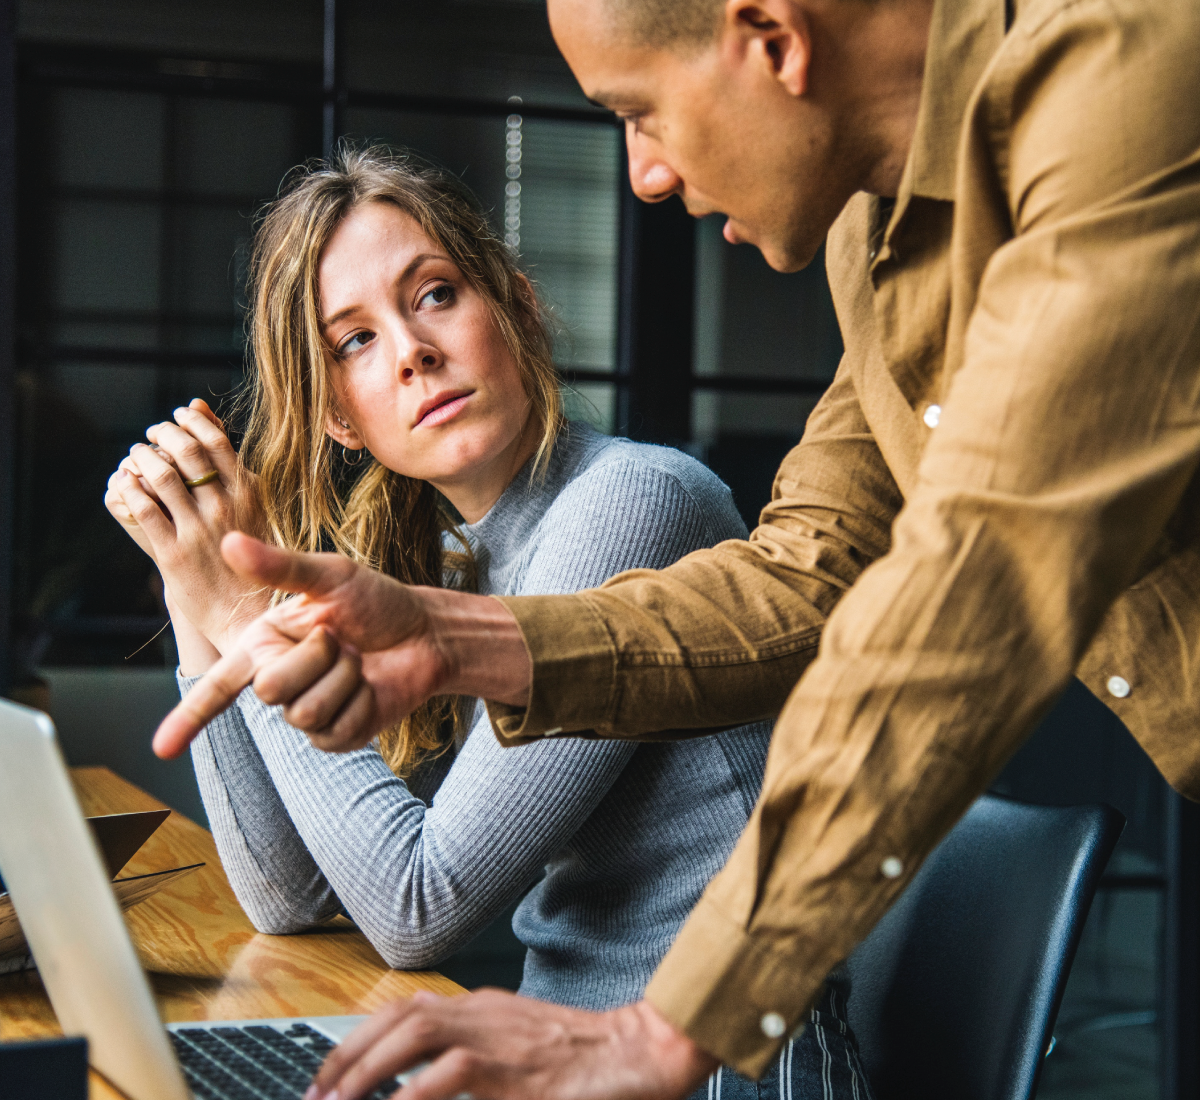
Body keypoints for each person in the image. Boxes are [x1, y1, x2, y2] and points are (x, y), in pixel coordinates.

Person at [156, 0, 1200, 1095]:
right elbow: (808, 571)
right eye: (357, 341)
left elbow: (978, 575)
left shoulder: (1121, 91)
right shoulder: (877, 232)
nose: (645, 174)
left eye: (638, 112)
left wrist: (670, 1027)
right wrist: (455, 632)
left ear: (771, 39)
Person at [107, 146, 872, 1099]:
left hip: (719, 1074)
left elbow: (415, 907)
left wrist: (248, 614)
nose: (411, 352)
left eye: (433, 295)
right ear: (342, 419)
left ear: (515, 304)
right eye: (354, 342)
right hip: (565, 1065)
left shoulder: (633, 501)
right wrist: (194, 586)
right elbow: (290, 897)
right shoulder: (457, 560)